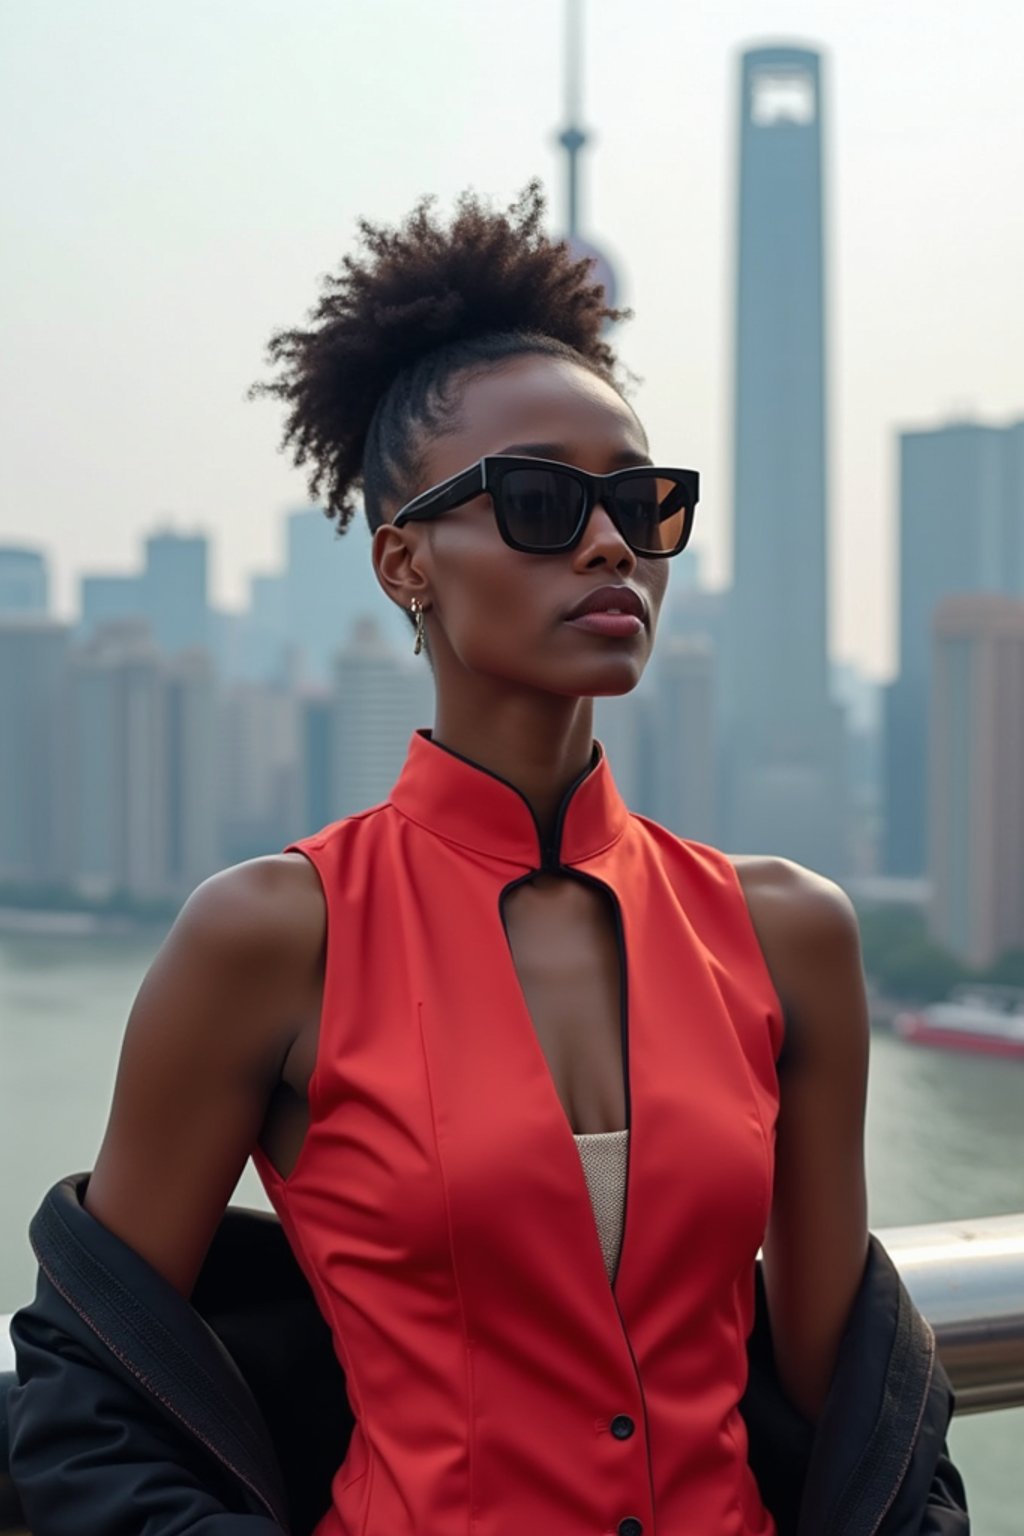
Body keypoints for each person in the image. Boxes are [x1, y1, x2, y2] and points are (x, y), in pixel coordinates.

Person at [6, 182, 968, 1536]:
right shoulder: (276, 935)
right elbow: (89, 1377)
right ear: (405, 562)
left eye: (642, 501)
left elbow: (849, 1399)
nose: (606, 542)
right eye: (536, 499)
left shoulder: (788, 933)